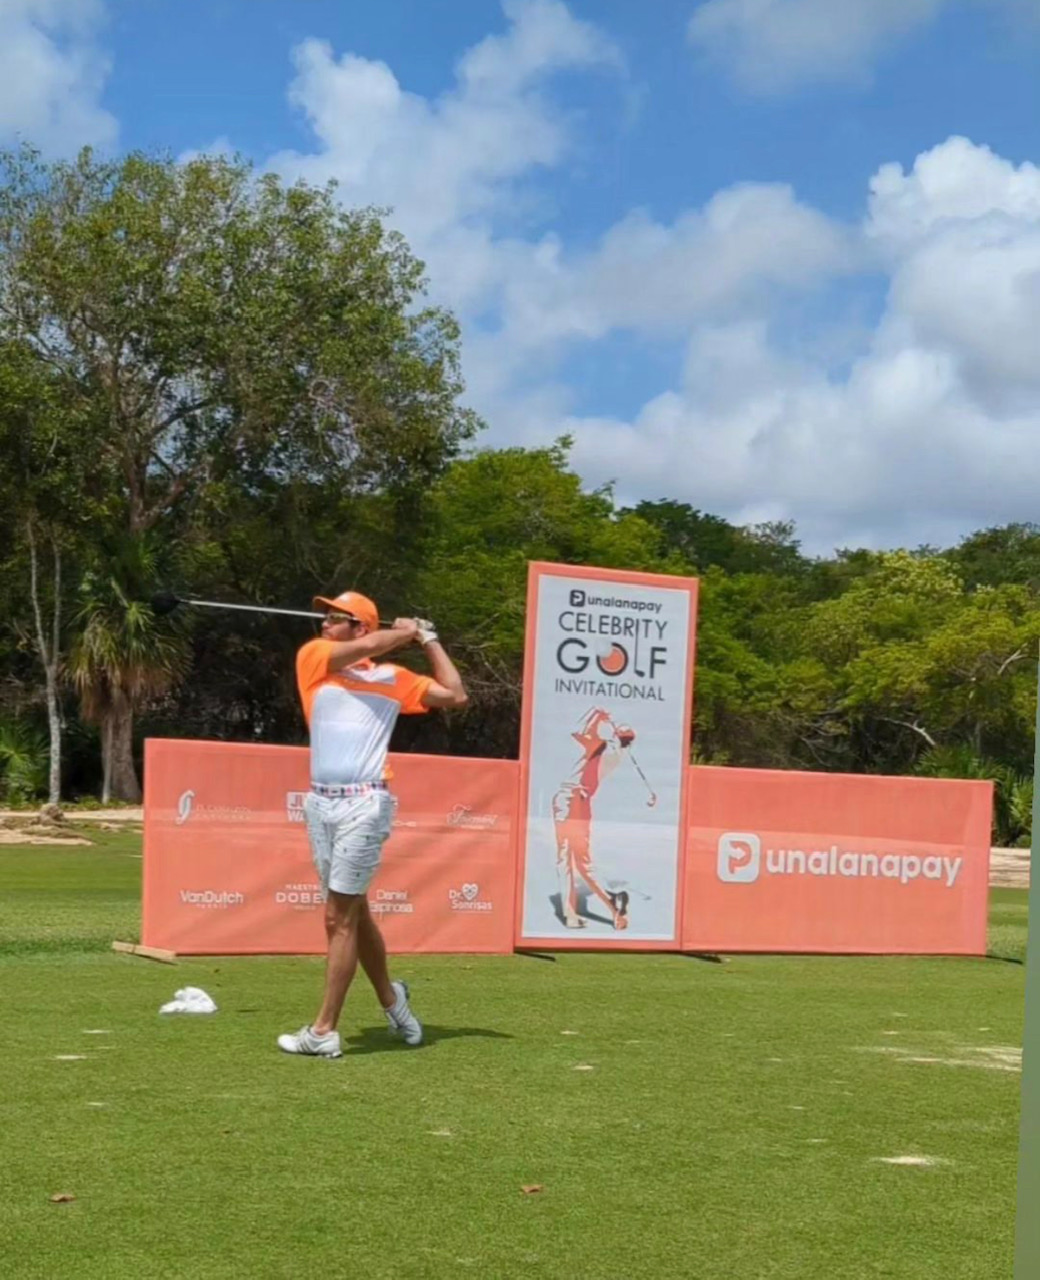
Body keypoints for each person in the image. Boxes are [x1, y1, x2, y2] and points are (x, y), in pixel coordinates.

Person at [278, 590, 468, 1059]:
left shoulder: (393, 678)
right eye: (324, 616)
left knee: (338, 917)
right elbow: (364, 648)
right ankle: (391, 998)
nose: (324, 623)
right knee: (353, 912)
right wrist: (403, 632)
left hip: (365, 804)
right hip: (321, 806)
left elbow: (456, 694)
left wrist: (428, 639)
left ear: (361, 625)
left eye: (336, 618)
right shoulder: (314, 658)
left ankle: (323, 1031)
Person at [551, 707, 635, 932]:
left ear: (617, 736)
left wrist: (597, 715)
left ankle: (571, 914)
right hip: (581, 802)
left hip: (570, 798)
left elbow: (579, 731)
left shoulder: (602, 747)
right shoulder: (614, 752)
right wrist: (601, 720)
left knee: (564, 857)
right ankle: (612, 903)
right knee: (582, 862)